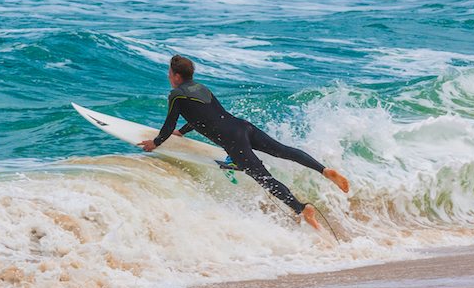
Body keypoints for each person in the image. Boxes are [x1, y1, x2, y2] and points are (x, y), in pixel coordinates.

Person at [139, 55, 349, 231]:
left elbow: (169, 122)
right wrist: (183, 132)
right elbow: (206, 115)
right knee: (283, 151)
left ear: (176, 76)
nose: (169, 77)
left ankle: (302, 209)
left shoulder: (176, 94)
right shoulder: (202, 88)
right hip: (242, 127)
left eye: (169, 73)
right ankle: (324, 170)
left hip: (232, 140)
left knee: (264, 178)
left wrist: (155, 143)